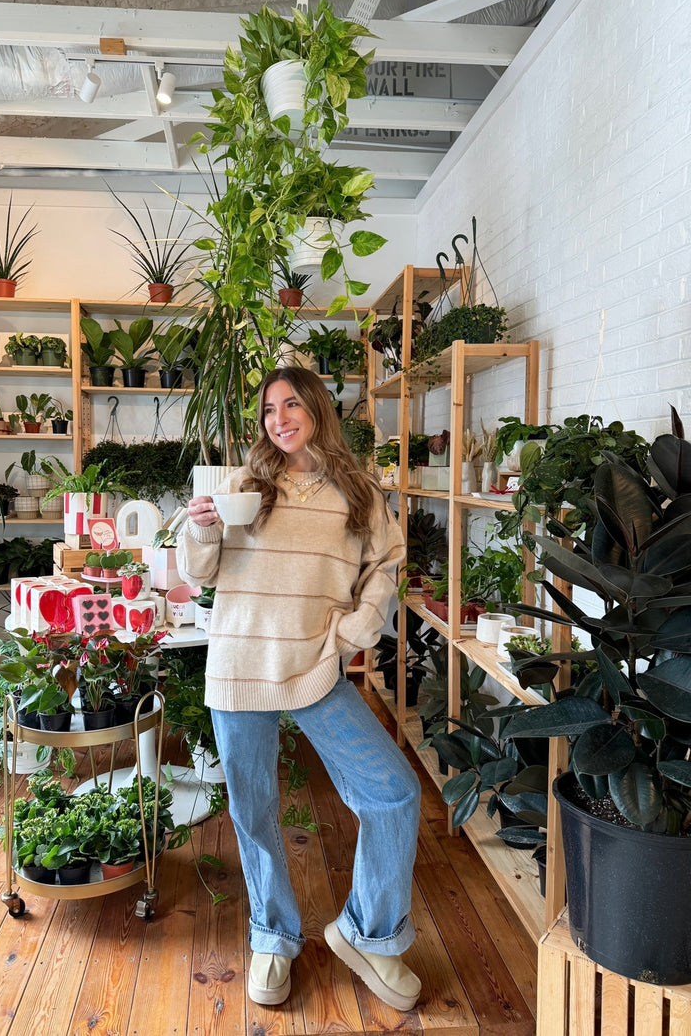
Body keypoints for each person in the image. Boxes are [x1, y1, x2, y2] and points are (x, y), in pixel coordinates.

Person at [177, 366, 422, 1013]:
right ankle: (273, 937)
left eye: (291, 404)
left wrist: (355, 630)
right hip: (239, 668)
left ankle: (368, 934)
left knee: (394, 793)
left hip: (314, 667)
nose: (278, 417)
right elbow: (199, 570)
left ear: (316, 408)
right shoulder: (245, 484)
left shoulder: (359, 493)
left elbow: (388, 562)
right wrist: (201, 525)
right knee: (253, 812)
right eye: (268, 409)